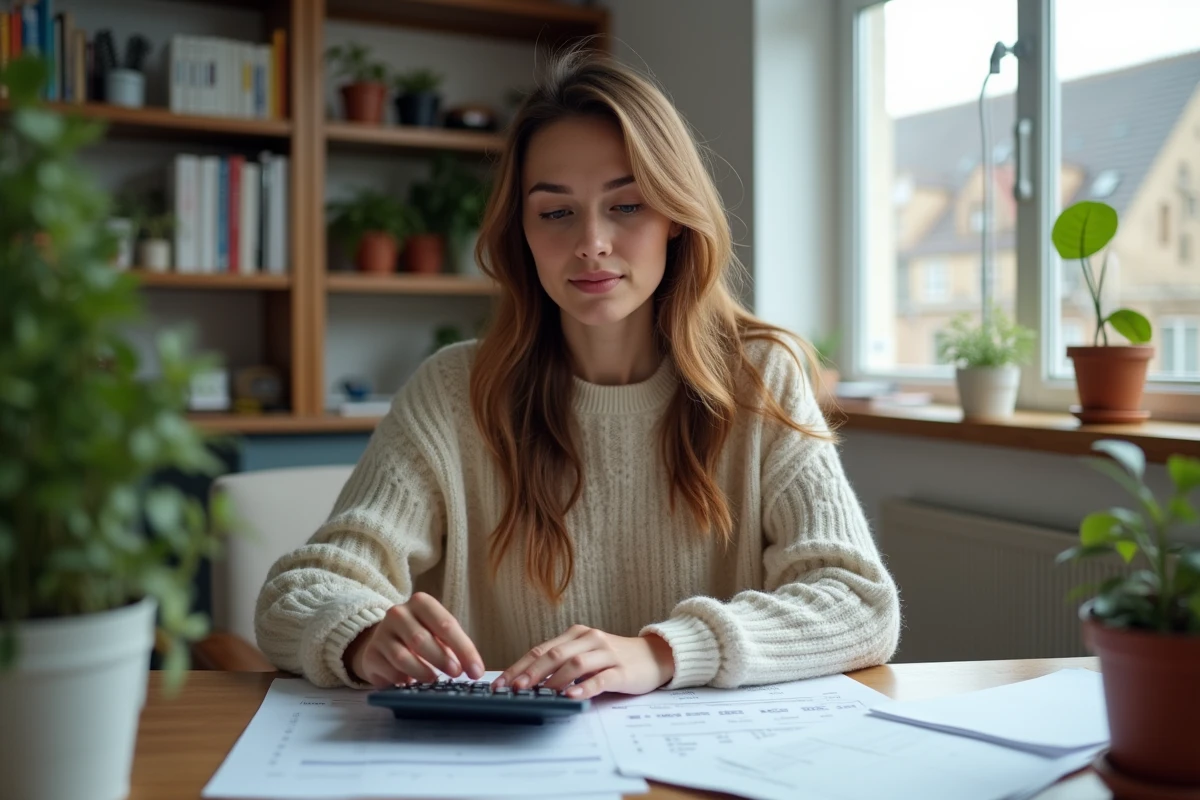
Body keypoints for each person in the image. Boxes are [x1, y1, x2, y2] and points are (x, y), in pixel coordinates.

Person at [255, 47, 901, 699]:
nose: (591, 242)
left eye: (627, 205)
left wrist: (663, 652)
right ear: (522, 231)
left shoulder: (760, 376)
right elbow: (299, 592)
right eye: (556, 212)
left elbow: (858, 602)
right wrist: (362, 634)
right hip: (501, 753)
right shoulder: (452, 392)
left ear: (676, 218)